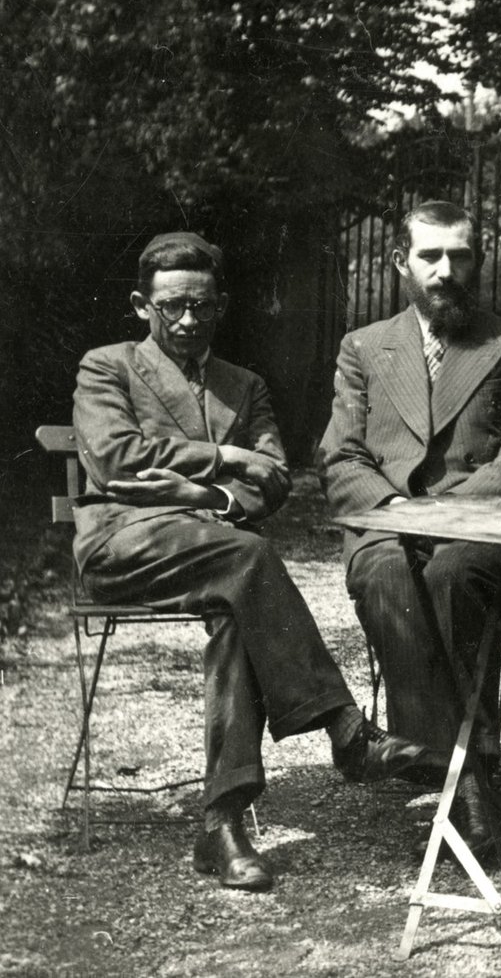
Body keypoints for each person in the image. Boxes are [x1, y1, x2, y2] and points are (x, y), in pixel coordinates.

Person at [72, 232, 431, 892]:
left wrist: (199, 493)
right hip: (124, 544)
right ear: (139, 304)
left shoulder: (246, 385)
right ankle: (345, 730)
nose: (187, 320)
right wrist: (226, 460)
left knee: (241, 599)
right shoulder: (107, 367)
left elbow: (276, 479)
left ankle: (223, 822)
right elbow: (116, 458)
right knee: (249, 557)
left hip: (219, 553)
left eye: (202, 307)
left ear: (222, 306)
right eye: (171, 306)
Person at [319, 200, 501, 853]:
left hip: (481, 525)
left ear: (477, 262)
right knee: (387, 568)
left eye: (459, 256)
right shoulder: (364, 347)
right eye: (430, 256)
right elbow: (341, 455)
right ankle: (468, 774)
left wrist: (448, 512)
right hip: (389, 523)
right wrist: (396, 510)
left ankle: (438, 760)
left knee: (453, 571)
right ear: (402, 263)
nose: (445, 270)